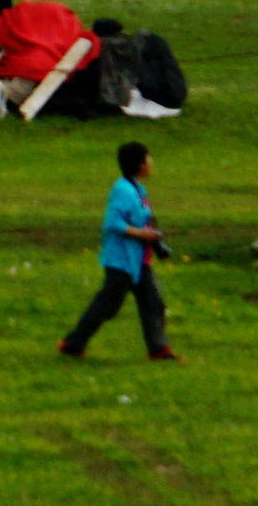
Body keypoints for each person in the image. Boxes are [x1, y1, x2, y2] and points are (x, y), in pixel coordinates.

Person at [60, 141, 178, 362]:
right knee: (108, 305)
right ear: (140, 164)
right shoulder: (123, 190)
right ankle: (73, 344)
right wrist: (144, 235)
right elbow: (113, 223)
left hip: (140, 260)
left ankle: (158, 349)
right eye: (148, 159)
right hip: (122, 261)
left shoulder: (136, 189)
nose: (151, 163)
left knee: (153, 302)